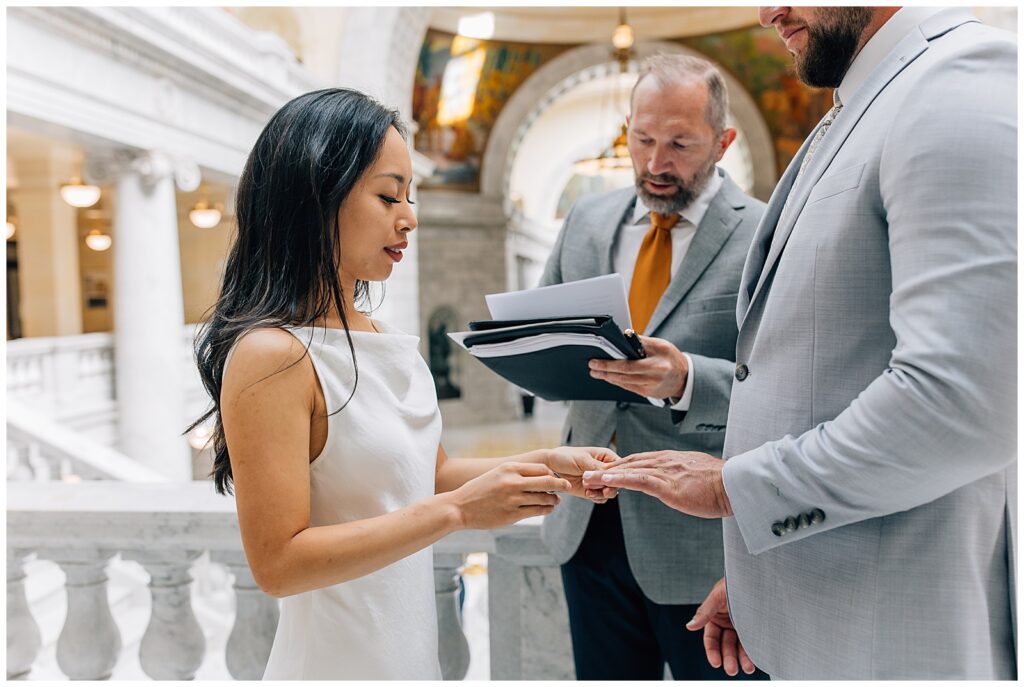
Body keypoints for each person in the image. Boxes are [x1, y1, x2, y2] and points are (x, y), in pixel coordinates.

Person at [585, 6, 1017, 680]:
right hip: (817, 602)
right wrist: (763, 575)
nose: (768, 11)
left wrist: (737, 489)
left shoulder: (957, 80)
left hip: (893, 633)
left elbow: (960, 404)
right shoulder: (856, 103)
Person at [189, 88, 617, 680]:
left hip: (408, 658)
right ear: (317, 195)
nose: (409, 216)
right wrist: (456, 514)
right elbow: (278, 563)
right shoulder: (272, 355)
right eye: (389, 195)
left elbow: (430, 475)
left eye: (409, 196)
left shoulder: (383, 338)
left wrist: (545, 463)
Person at [539, 54, 767, 680]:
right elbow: (541, 326)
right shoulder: (585, 220)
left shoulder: (765, 234)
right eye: (642, 139)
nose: (656, 163)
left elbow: (783, 384)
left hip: (703, 539)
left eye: (680, 144)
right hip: (587, 521)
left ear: (723, 142)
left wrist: (688, 379)